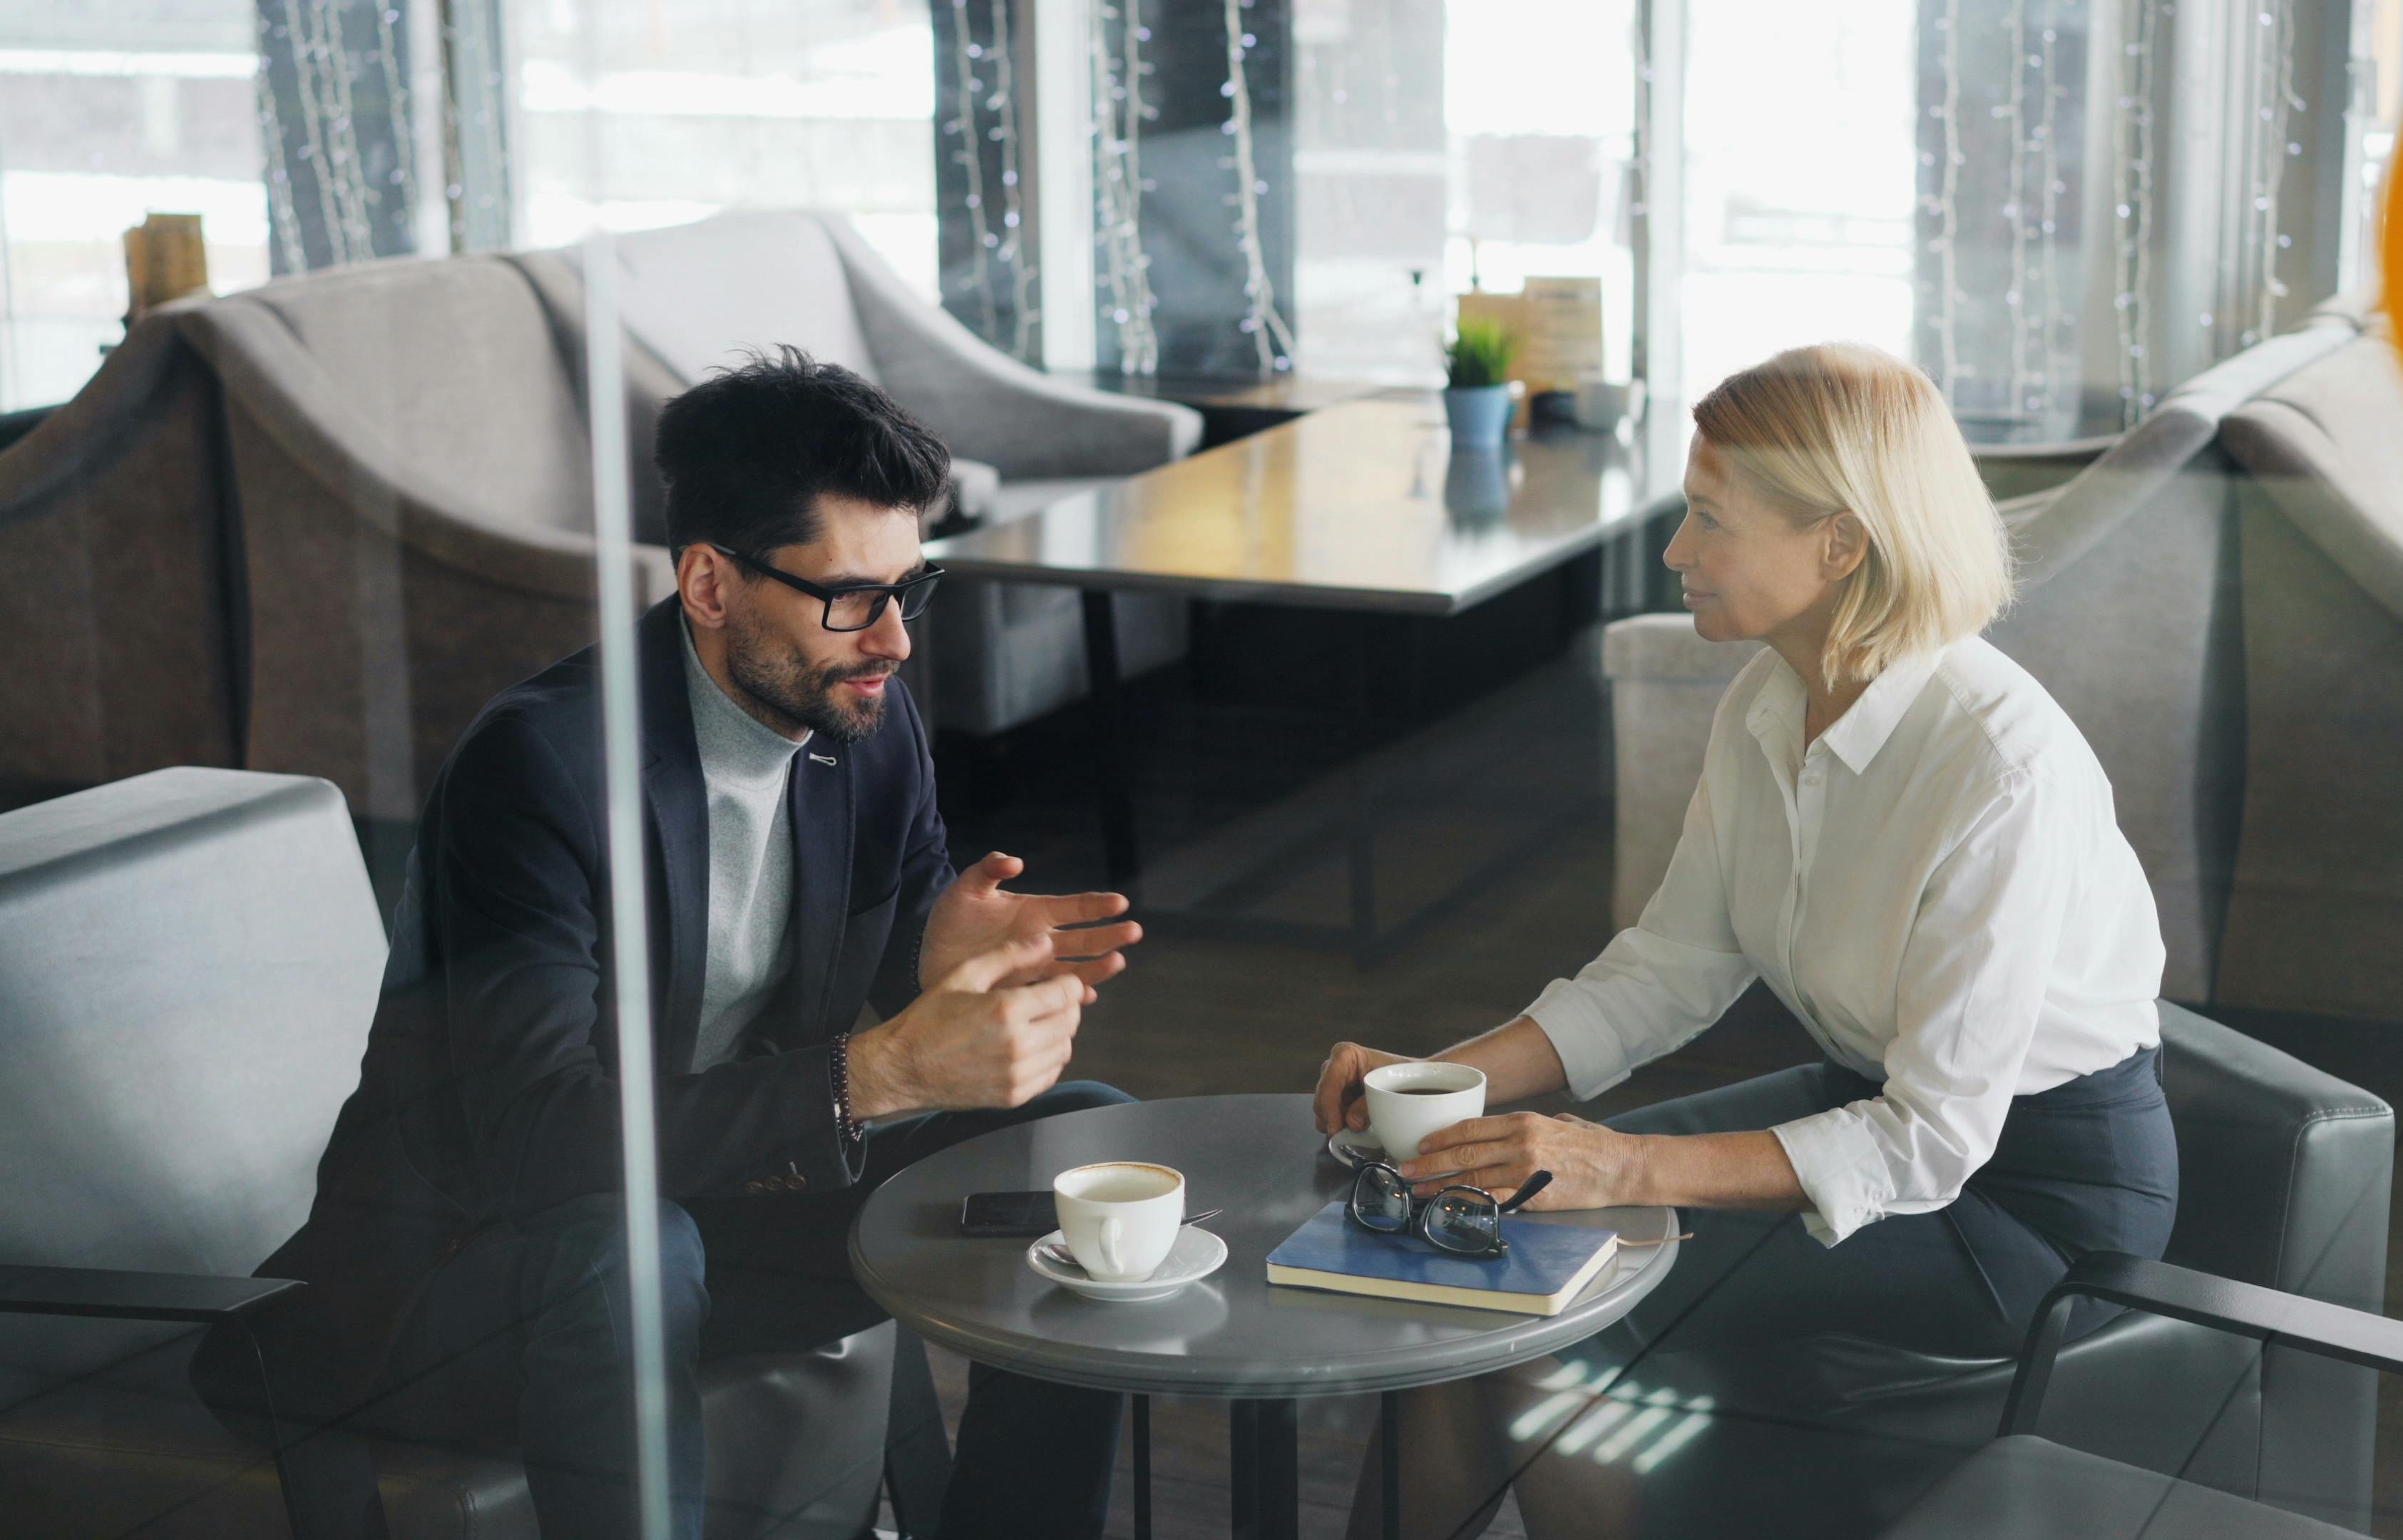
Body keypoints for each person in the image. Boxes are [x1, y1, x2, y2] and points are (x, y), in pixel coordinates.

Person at [199, 349, 1141, 1539]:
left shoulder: (864, 718)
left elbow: (868, 945)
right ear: (709, 583)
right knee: (632, 1249)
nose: (896, 641)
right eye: (853, 597)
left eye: (911, 589)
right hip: (468, 1281)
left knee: (1081, 1137)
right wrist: (882, 1071)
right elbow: (540, 1140)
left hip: (715, 1218)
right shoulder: (542, 767)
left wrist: (934, 961)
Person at [1315, 343, 2178, 1538]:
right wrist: (1432, 1083)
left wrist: (1621, 1167)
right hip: (1872, 1106)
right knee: (1472, 1252)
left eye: (1710, 519)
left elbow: (1934, 1142)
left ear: (1841, 544)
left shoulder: (1999, 770)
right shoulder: (1769, 704)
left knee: (1552, 1304)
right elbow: (1667, 971)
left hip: (2028, 1205)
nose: (1676, 550)